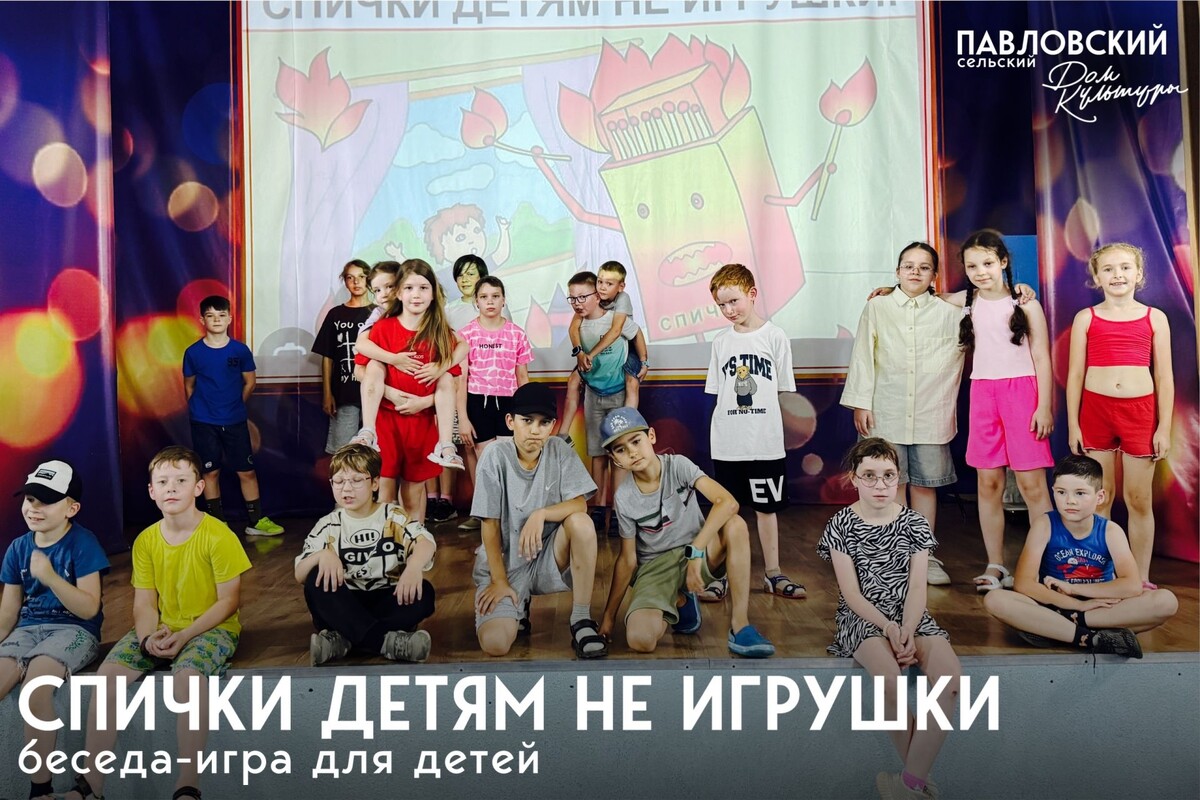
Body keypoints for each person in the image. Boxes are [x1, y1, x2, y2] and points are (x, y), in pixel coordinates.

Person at [63, 446, 252, 800]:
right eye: (163, 482)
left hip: (209, 627)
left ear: (199, 487)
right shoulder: (146, 540)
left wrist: (185, 635)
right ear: (151, 491)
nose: (171, 488)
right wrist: (148, 637)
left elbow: (229, 602)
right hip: (163, 626)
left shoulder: (219, 535)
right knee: (108, 677)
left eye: (181, 480)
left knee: (188, 680)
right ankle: (91, 784)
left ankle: (188, 784)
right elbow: (145, 603)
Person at [817, 438, 960, 800]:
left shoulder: (914, 523)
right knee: (890, 681)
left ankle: (908, 784)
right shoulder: (841, 524)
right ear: (854, 478)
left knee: (950, 681)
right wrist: (888, 628)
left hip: (910, 613)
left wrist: (908, 627)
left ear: (899, 477)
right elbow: (851, 594)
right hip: (863, 617)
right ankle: (917, 784)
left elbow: (917, 587)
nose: (880, 485)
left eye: (888, 476)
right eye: (870, 475)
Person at [598, 407, 774, 657]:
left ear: (651, 436)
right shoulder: (624, 497)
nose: (632, 452)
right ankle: (680, 602)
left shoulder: (678, 465)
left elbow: (727, 502)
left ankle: (740, 626)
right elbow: (627, 560)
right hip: (655, 569)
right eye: (621, 449)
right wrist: (608, 618)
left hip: (697, 555)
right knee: (640, 640)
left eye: (635, 441)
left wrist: (696, 549)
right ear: (615, 459)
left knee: (735, 525)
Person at [842, 243, 963, 586]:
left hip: (930, 413)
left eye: (924, 267)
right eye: (908, 266)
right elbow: (863, 355)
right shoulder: (878, 307)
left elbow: (989, 299)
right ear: (897, 272)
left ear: (935, 275)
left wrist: (1019, 289)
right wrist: (861, 402)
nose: (915, 272)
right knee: (889, 484)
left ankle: (924, 555)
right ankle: (889, 554)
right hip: (887, 410)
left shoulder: (950, 312)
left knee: (925, 486)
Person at [984, 454, 1177, 657]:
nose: (1070, 501)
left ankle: (1058, 629)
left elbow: (1131, 586)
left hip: (1100, 609)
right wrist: (1076, 604)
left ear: (1100, 497)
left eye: (1080, 493)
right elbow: (1024, 584)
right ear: (1053, 492)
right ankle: (1090, 638)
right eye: (1061, 492)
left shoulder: (1111, 531)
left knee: (1166, 601)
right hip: (1053, 604)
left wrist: (1074, 589)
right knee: (995, 599)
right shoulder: (1045, 525)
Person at [470, 381, 607, 659]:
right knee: (496, 643)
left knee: (581, 522)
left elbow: (580, 503)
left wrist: (541, 514)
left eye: (544, 423)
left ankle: (581, 619)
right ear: (510, 421)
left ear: (553, 425)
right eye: (527, 421)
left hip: (546, 557)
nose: (535, 430)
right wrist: (499, 581)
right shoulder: (494, 456)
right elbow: (490, 525)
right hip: (506, 565)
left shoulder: (558, 449)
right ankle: (517, 607)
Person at [1065, 242, 1174, 586]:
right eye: (1108, 269)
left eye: (1125, 267)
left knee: (1138, 499)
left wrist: (1164, 428)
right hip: (1096, 412)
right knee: (1101, 498)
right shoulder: (1086, 318)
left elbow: (1164, 377)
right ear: (1097, 277)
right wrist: (1073, 424)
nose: (1117, 275)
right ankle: (1104, 573)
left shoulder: (1154, 318)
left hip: (1140, 414)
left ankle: (1139, 577)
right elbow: (1075, 375)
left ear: (1138, 274)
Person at [0, 461, 107, 800]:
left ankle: (40, 788)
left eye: (45, 501)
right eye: (30, 499)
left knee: (35, 689)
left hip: (74, 630)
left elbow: (89, 608)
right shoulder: (18, 547)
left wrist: (50, 578)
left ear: (71, 509)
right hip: (28, 630)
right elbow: (8, 612)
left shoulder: (83, 542)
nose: (34, 508)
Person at [957, 230, 1053, 592]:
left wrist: (1044, 406)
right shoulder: (966, 301)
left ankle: (1045, 565)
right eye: (972, 266)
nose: (980, 271)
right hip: (983, 394)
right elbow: (926, 294)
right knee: (988, 482)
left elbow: (1042, 356)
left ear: (1003, 262)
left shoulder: (1025, 303)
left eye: (987, 263)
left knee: (1031, 484)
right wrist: (889, 290)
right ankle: (996, 565)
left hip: (1022, 393)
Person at [705, 263, 804, 600]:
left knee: (767, 509)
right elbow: (719, 391)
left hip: (764, 442)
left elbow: (782, 390)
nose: (728, 310)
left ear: (752, 294)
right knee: (726, 510)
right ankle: (720, 575)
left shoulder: (775, 337)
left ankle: (773, 573)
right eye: (721, 305)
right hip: (727, 443)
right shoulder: (720, 341)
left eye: (733, 301)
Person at [295, 444, 436, 666]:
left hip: (387, 596)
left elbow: (426, 543)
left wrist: (413, 567)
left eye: (356, 480)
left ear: (375, 483)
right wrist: (322, 555)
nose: (347, 488)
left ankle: (343, 641)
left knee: (424, 592)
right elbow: (300, 573)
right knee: (315, 581)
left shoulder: (392, 515)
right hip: (346, 602)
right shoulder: (328, 524)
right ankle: (387, 642)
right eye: (339, 481)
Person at [352, 260, 466, 519]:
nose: (416, 294)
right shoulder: (382, 327)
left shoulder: (438, 331)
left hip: (421, 424)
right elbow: (362, 367)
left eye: (423, 288)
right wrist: (390, 387)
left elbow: (453, 379)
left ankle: (416, 539)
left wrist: (424, 401)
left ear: (433, 293)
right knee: (385, 493)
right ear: (399, 293)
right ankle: (368, 431)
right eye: (409, 288)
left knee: (414, 494)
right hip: (386, 422)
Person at [183, 295, 284, 536]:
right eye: (210, 316)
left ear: (229, 318)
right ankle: (217, 523)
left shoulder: (240, 350)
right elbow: (189, 386)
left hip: (235, 420)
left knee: (246, 471)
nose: (216, 320)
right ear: (202, 320)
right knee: (210, 472)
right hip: (204, 422)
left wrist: (235, 404)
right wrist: (202, 409)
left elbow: (250, 382)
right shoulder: (193, 352)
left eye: (221, 315)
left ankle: (256, 522)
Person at [562, 270, 639, 535]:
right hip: (594, 395)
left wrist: (644, 361)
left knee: (619, 456)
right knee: (597, 455)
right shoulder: (578, 324)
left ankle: (618, 511)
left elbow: (637, 335)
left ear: (598, 295)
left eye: (582, 297)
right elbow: (574, 332)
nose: (577, 303)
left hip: (618, 394)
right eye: (572, 299)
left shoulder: (616, 319)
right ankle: (597, 508)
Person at [455, 275, 533, 528]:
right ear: (476, 302)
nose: (490, 302)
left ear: (503, 300)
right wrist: (463, 418)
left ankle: (513, 515)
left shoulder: (516, 334)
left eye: (495, 296)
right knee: (484, 460)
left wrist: (526, 415)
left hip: (509, 402)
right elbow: (461, 379)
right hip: (478, 402)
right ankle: (484, 515)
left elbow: (522, 376)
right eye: (484, 297)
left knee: (510, 457)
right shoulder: (466, 334)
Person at [563, 260, 650, 429]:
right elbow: (573, 327)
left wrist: (644, 361)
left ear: (620, 286)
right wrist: (580, 353)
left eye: (609, 284)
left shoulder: (622, 299)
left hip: (627, 343)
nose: (602, 287)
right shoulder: (590, 300)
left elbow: (616, 330)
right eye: (600, 281)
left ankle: (628, 426)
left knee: (632, 381)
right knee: (573, 380)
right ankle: (563, 433)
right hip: (601, 349)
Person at [313, 259, 374, 453]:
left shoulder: (379, 313)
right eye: (350, 277)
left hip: (375, 391)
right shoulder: (335, 314)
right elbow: (327, 356)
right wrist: (327, 393)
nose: (356, 282)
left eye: (361, 277)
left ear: (369, 279)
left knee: (377, 449)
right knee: (343, 450)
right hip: (345, 393)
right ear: (345, 281)